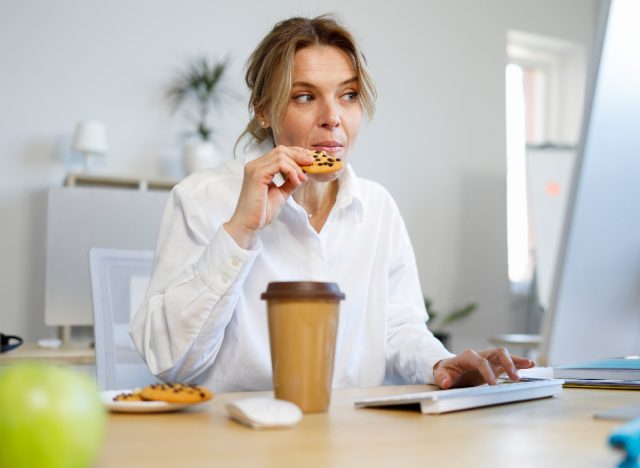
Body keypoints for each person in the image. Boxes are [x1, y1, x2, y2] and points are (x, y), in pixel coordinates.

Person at [130, 14, 533, 393]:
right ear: (262, 111)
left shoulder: (378, 208)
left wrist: (438, 363)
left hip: (351, 438)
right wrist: (240, 231)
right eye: (305, 97)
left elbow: (397, 327)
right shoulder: (202, 199)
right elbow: (169, 362)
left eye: (349, 95)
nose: (333, 117)